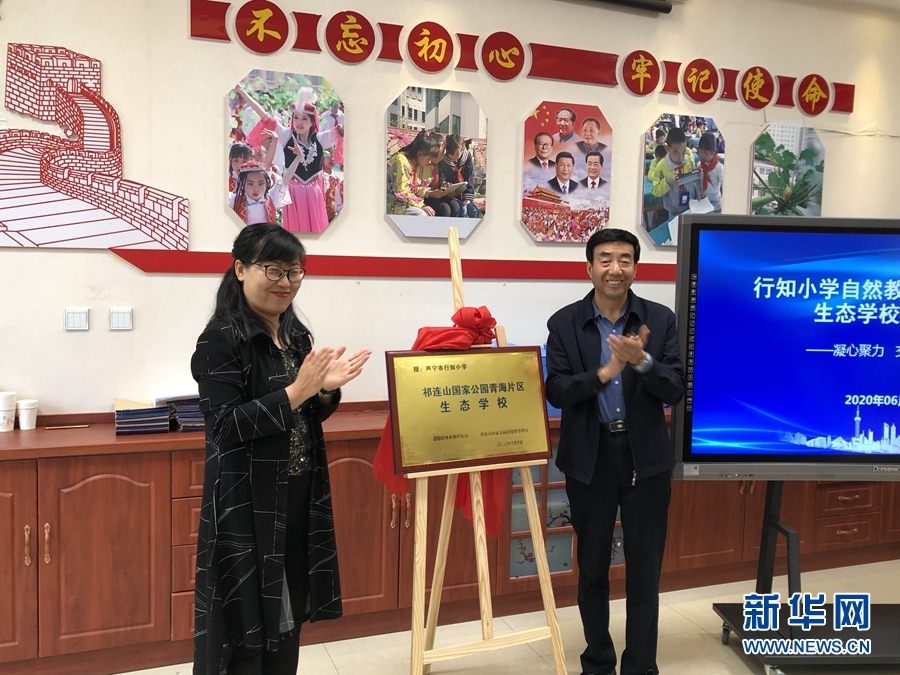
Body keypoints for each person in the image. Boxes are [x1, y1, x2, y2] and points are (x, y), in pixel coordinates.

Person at [191, 224, 371, 675]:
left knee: (287, 620)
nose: (286, 282)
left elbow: (303, 419)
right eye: (273, 269)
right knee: (245, 626)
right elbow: (224, 427)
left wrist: (323, 392)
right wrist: (296, 392)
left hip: (297, 495)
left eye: (294, 272)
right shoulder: (221, 339)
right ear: (240, 270)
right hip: (246, 503)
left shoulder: (296, 337)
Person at [545, 228, 685, 675]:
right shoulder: (564, 323)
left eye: (625, 259)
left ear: (635, 268)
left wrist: (641, 361)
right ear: (589, 267)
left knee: (645, 571)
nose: (615, 268)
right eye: (605, 259)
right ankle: (598, 663)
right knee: (592, 570)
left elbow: (675, 388)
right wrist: (606, 372)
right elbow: (557, 391)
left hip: (646, 459)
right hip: (591, 458)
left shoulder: (659, 319)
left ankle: (641, 666)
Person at [234, 83, 342, 233]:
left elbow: (344, 130)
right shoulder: (286, 136)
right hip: (292, 193)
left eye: (304, 119)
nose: (299, 122)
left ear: (312, 122)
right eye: (296, 118)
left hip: (314, 194)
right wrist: (243, 93)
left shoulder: (320, 139)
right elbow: (264, 115)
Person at [386, 130, 444, 216]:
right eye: (429, 158)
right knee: (421, 214)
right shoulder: (401, 161)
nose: (430, 162)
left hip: (402, 201)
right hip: (390, 202)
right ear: (420, 154)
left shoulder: (412, 162)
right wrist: (422, 206)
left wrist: (429, 193)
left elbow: (413, 188)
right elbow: (402, 192)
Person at [650, 127, 696, 222]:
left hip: (691, 208)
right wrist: (668, 182)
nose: (681, 157)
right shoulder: (661, 166)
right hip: (673, 212)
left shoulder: (689, 161)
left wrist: (698, 173)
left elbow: (695, 182)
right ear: (667, 149)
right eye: (676, 153)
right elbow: (655, 191)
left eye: (683, 152)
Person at [438, 134, 479, 218]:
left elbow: (469, 177)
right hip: (450, 195)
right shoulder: (443, 160)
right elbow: (442, 178)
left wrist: (468, 198)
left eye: (457, 153)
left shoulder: (466, 157)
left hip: (464, 194)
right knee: (462, 209)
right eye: (451, 153)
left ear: (462, 149)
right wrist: (445, 187)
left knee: (472, 211)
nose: (453, 156)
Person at [229, 161, 277, 226]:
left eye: (260, 184)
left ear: (267, 184)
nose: (256, 189)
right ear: (242, 184)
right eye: (250, 184)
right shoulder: (234, 200)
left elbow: (285, 182)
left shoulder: (272, 199)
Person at [696, 131, 723, 210]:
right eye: (700, 151)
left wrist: (723, 201)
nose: (702, 155)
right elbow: (697, 182)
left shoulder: (718, 168)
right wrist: (698, 193)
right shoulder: (699, 165)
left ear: (714, 151)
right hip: (702, 201)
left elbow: (725, 185)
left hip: (715, 201)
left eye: (705, 153)